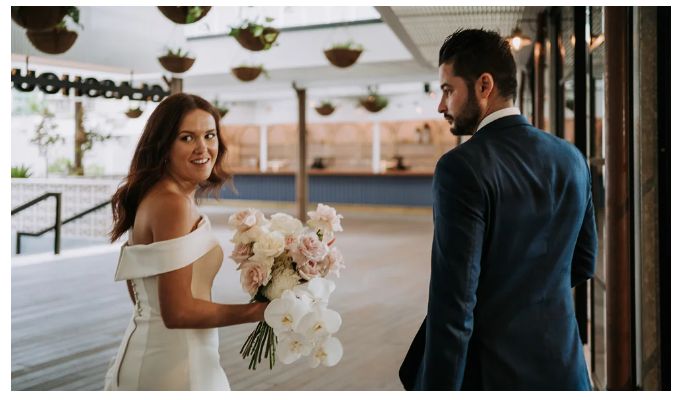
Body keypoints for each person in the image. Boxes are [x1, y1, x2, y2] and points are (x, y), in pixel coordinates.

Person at [399, 29, 597, 390]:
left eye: (447, 90)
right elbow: (584, 260)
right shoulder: (572, 158)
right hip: (567, 370)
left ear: (484, 85)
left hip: (495, 374)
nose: (441, 106)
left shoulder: (461, 167)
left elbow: (454, 305)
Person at [104, 93, 267, 390]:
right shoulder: (171, 204)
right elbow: (177, 312)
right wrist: (259, 311)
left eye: (209, 135)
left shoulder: (158, 196)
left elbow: (142, 294)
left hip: (164, 354)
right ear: (163, 145)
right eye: (187, 138)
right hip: (175, 365)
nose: (203, 148)